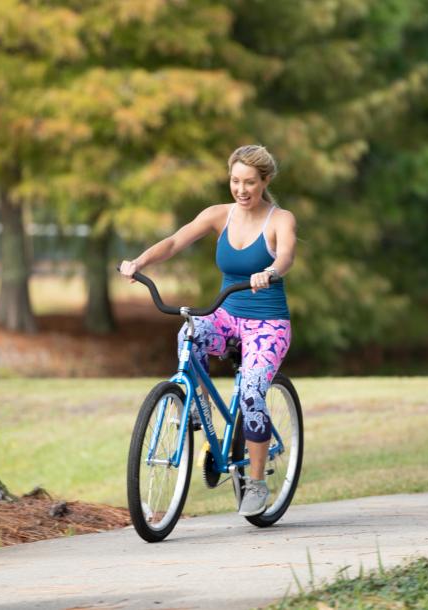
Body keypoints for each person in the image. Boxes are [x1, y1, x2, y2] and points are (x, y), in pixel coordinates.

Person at [119, 144, 296, 516]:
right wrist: (139, 262)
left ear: (265, 181)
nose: (242, 190)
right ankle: (197, 412)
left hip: (268, 323)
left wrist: (271, 272)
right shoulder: (219, 215)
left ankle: (258, 483)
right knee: (189, 333)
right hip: (227, 314)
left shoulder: (280, 220)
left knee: (250, 392)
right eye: (235, 181)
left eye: (250, 182)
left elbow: (286, 256)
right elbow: (173, 242)